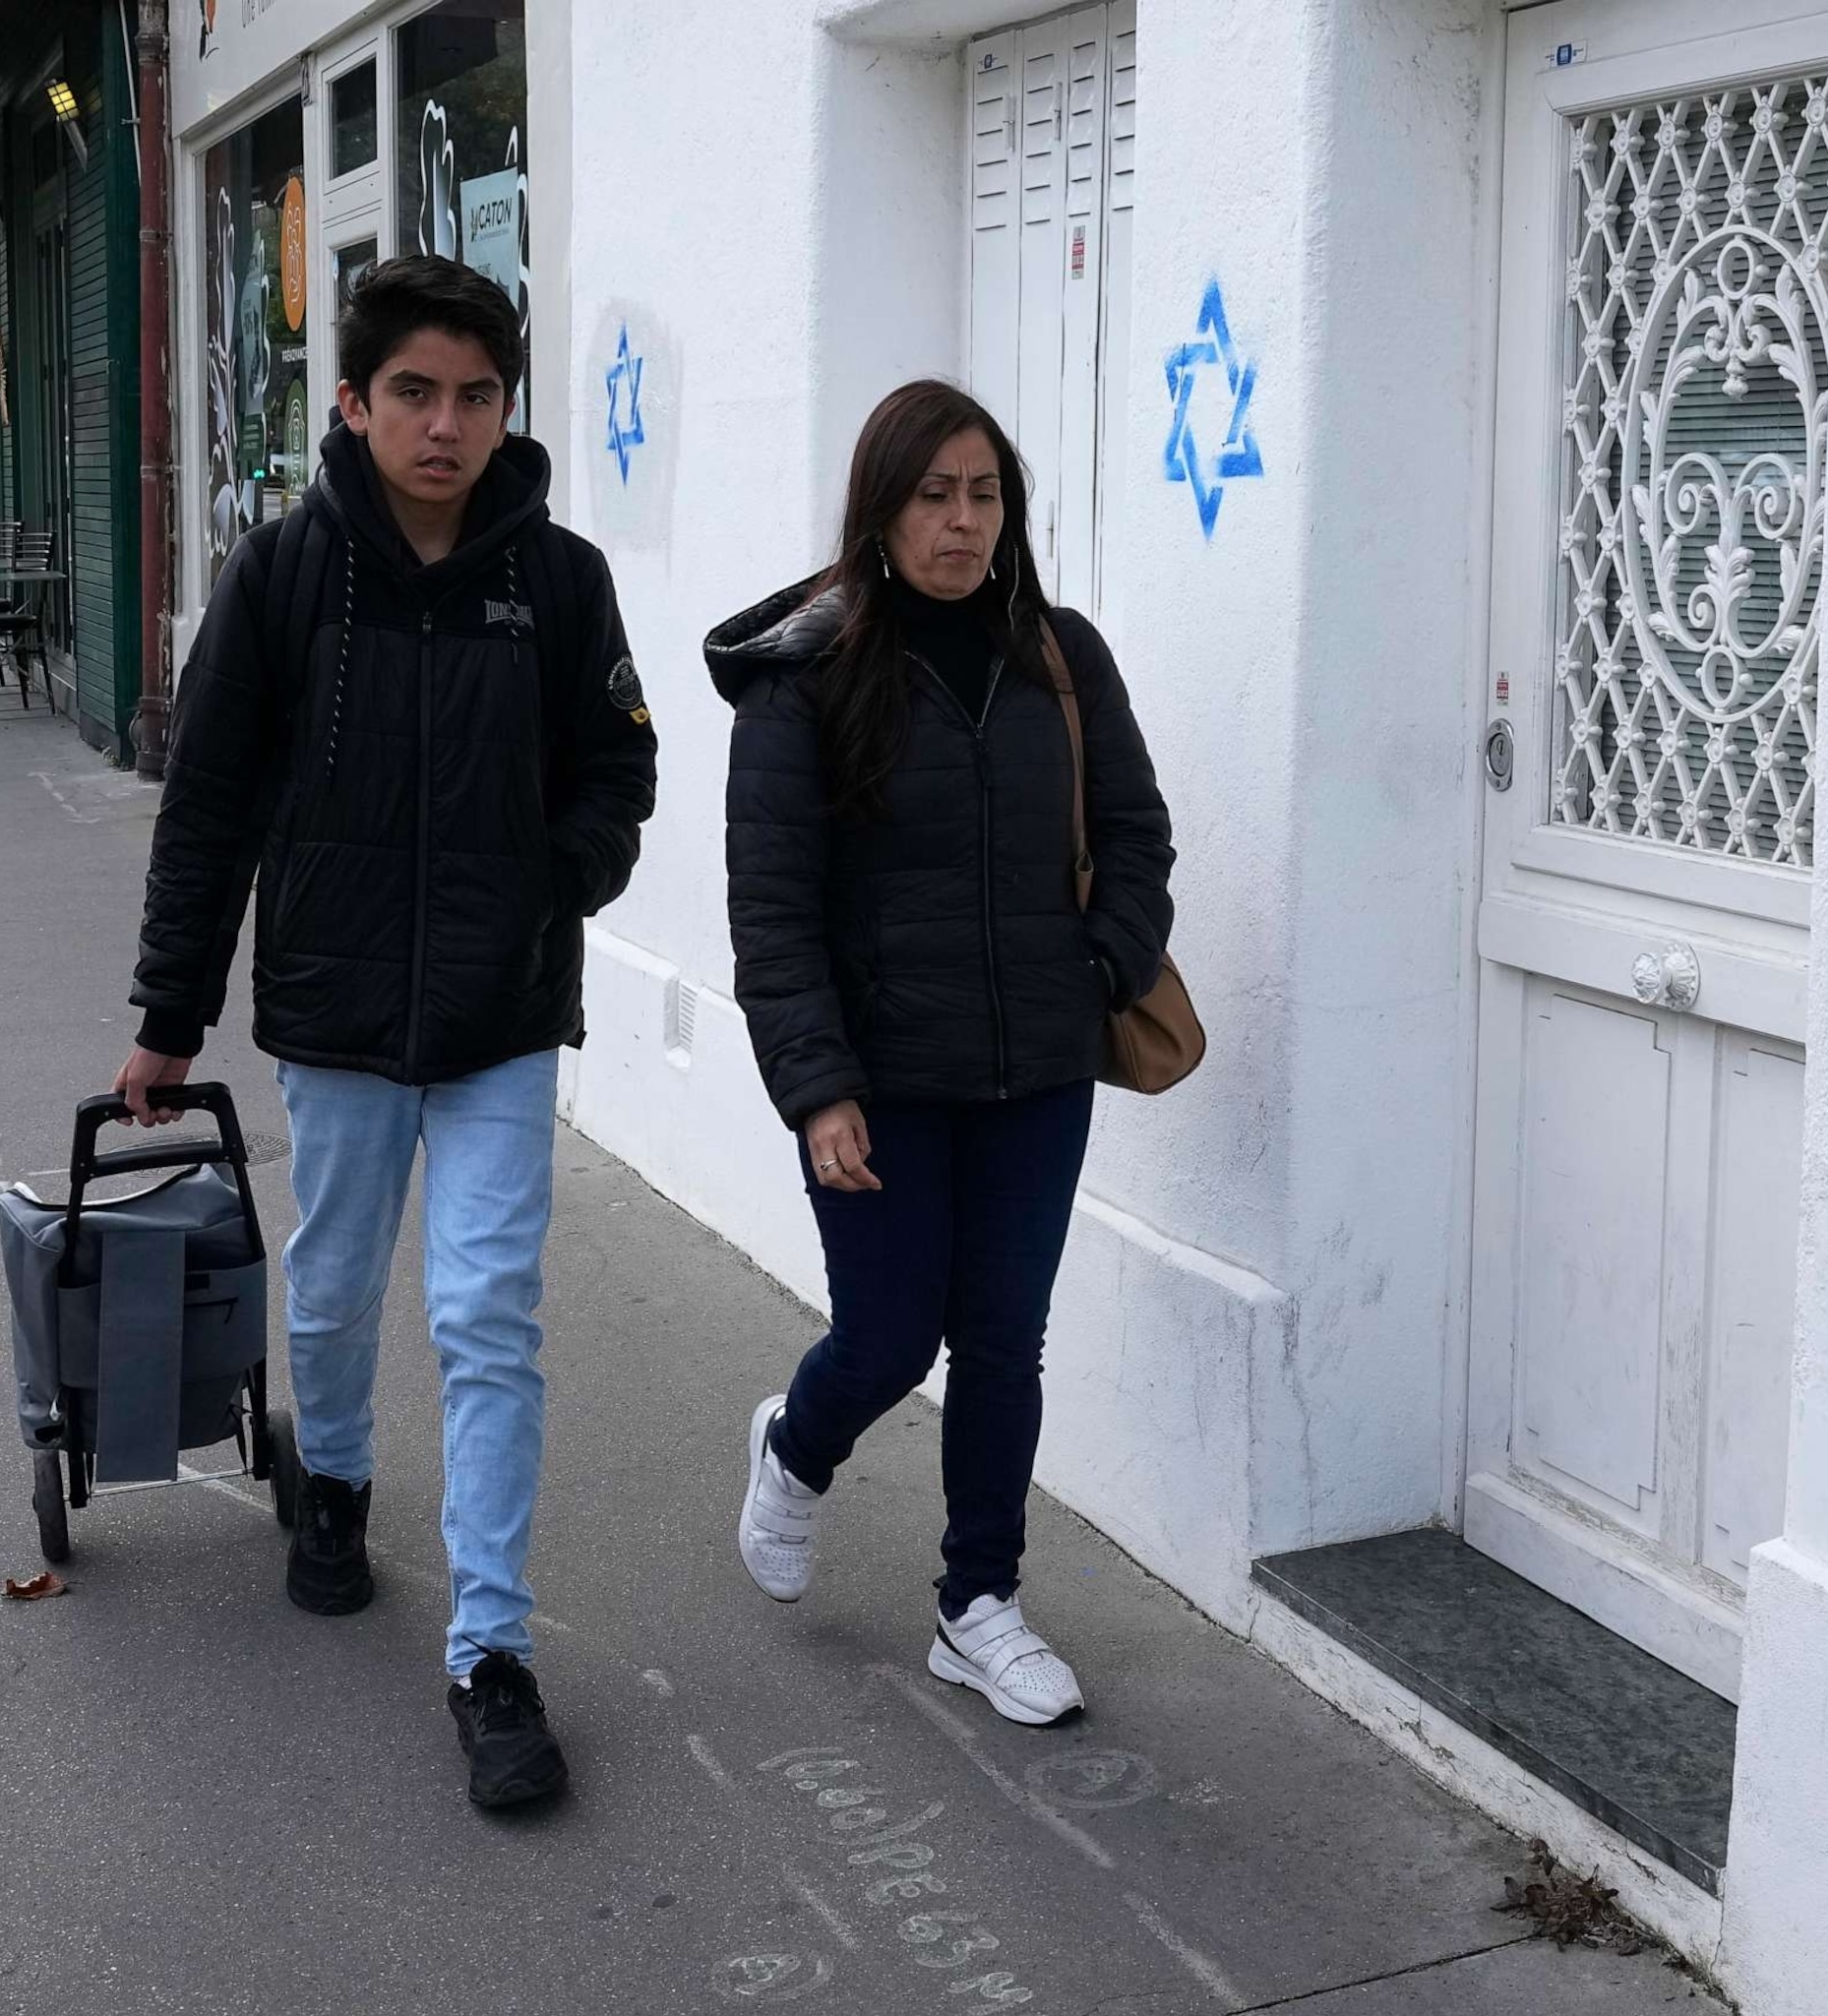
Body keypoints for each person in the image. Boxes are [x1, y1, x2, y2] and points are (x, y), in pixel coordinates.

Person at [111, 256, 656, 1808]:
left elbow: (622, 770)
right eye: (412, 392)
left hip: (499, 1016)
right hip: (340, 1012)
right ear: (351, 403)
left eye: (474, 395)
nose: (444, 423)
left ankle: (491, 1649)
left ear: (504, 410)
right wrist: (168, 1014)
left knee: (489, 1314)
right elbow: (208, 808)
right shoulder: (285, 575)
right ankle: (334, 1478)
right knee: (339, 1286)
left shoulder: (555, 581)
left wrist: (557, 878)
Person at [706, 379, 1176, 1726]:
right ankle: (796, 1445)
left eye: (984, 494)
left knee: (1005, 1341)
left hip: (1038, 1068)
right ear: (882, 506)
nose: (962, 522)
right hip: (882, 1080)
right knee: (890, 1335)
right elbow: (774, 907)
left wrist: (1101, 964)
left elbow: (1136, 832)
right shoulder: (811, 676)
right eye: (935, 494)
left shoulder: (1062, 658)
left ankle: (979, 1604)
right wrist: (818, 1088)